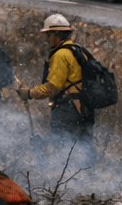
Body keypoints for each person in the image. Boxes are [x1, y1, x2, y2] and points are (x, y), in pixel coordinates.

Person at [17, 13, 94, 166]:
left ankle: (63, 182)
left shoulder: (60, 54)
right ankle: (88, 180)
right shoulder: (78, 50)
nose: (47, 40)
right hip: (85, 108)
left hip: (68, 109)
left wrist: (29, 93)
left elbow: (52, 88)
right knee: (84, 148)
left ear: (55, 35)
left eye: (48, 35)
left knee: (61, 149)